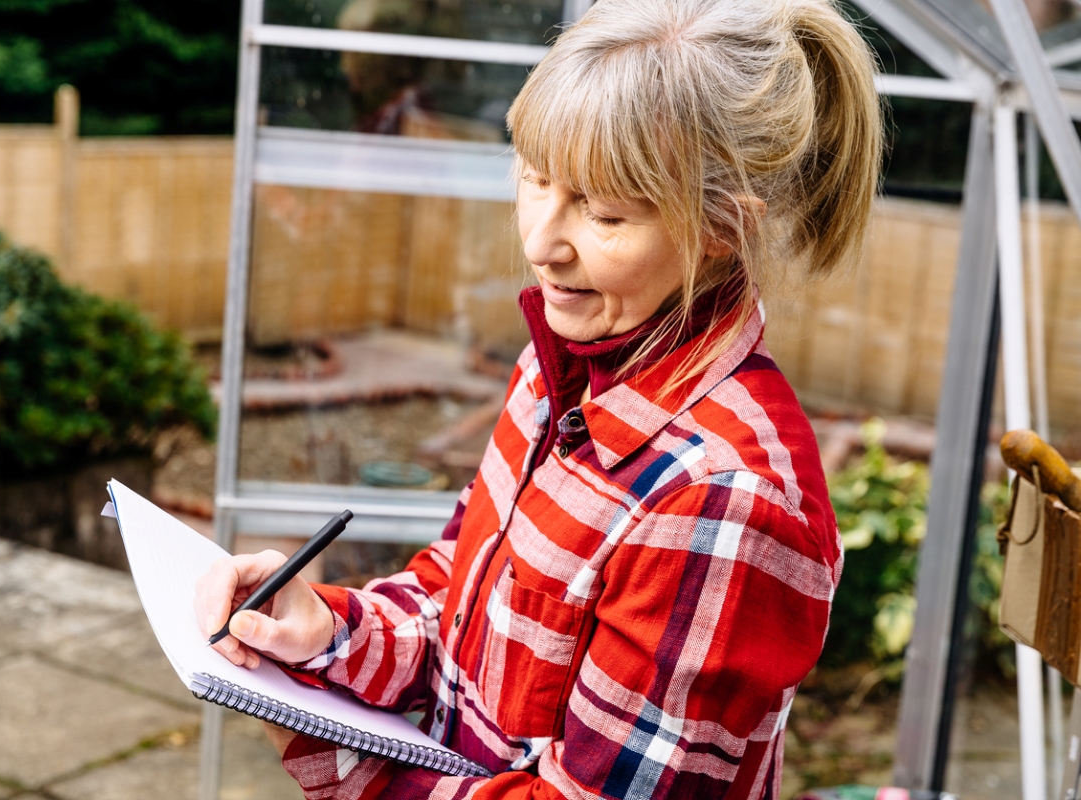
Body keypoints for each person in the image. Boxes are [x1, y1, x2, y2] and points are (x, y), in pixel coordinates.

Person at [195, 0, 882, 796]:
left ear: (722, 229)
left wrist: (325, 748)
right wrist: (325, 632)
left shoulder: (725, 502)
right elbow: (457, 603)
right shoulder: (559, 365)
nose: (541, 244)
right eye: (534, 178)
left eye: (603, 211)